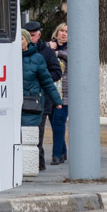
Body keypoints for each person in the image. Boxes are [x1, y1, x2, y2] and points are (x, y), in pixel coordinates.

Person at [21, 22, 62, 172]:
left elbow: (52, 75)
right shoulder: (14, 56)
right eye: (28, 35)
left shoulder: (45, 54)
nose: (31, 38)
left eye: (33, 35)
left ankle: (38, 164)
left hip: (39, 102)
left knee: (36, 134)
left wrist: (57, 100)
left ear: (38, 35)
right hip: (21, 103)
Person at [48, 23, 69, 165]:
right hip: (50, 90)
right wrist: (50, 49)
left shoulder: (71, 48)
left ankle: (56, 155)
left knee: (59, 122)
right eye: (61, 30)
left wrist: (57, 53)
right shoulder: (48, 46)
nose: (63, 33)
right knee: (53, 122)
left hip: (65, 93)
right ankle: (62, 152)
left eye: (67, 31)